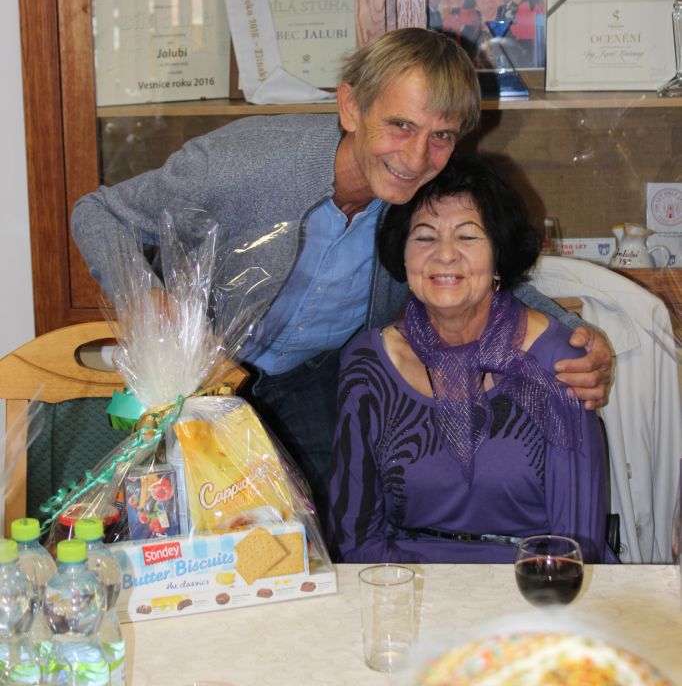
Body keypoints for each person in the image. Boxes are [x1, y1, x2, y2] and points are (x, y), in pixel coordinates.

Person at [71, 29, 611, 514]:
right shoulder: (241, 165)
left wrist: (575, 338)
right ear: (351, 107)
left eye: (441, 136)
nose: (416, 158)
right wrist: (141, 298)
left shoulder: (426, 199)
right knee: (192, 531)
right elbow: (98, 214)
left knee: (322, 534)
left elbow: (485, 274)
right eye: (400, 125)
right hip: (200, 384)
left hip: (317, 382)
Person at [327, 154, 614, 564]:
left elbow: (575, 547)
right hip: (410, 582)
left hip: (530, 581)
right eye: (424, 237)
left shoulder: (559, 362)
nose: (445, 255)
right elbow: (355, 539)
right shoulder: (370, 363)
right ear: (403, 255)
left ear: (498, 256)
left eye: (467, 236)